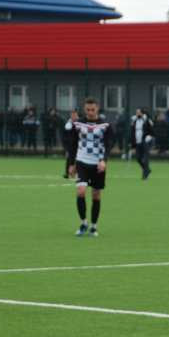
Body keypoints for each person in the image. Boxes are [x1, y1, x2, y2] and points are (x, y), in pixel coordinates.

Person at [66, 97, 113, 237]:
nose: (90, 112)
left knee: (96, 195)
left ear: (97, 108)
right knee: (81, 191)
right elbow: (73, 145)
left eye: (92, 109)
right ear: (84, 109)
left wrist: (104, 161)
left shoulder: (105, 125)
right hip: (82, 162)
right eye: (87, 110)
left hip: (98, 163)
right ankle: (83, 223)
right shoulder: (78, 124)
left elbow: (108, 145)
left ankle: (93, 226)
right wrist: (71, 164)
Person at [130, 107, 154, 180]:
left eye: (138, 112)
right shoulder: (134, 121)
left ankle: (145, 175)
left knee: (145, 159)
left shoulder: (147, 120)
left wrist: (148, 137)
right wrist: (132, 142)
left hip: (145, 142)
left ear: (142, 113)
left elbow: (152, 130)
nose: (137, 113)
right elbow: (132, 131)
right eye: (136, 112)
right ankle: (147, 170)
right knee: (138, 158)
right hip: (138, 142)